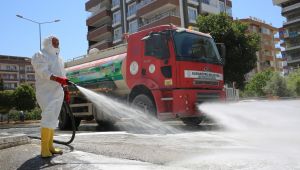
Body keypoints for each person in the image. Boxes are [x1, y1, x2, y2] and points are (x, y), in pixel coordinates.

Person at [31, 36, 69, 158]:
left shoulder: (59, 58)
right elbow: (43, 72)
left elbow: (63, 75)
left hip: (58, 92)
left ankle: (50, 146)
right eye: (55, 42)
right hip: (46, 93)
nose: (57, 44)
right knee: (47, 117)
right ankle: (44, 149)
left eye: (58, 42)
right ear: (48, 43)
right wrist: (58, 79)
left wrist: (66, 90)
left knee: (53, 119)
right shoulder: (40, 55)